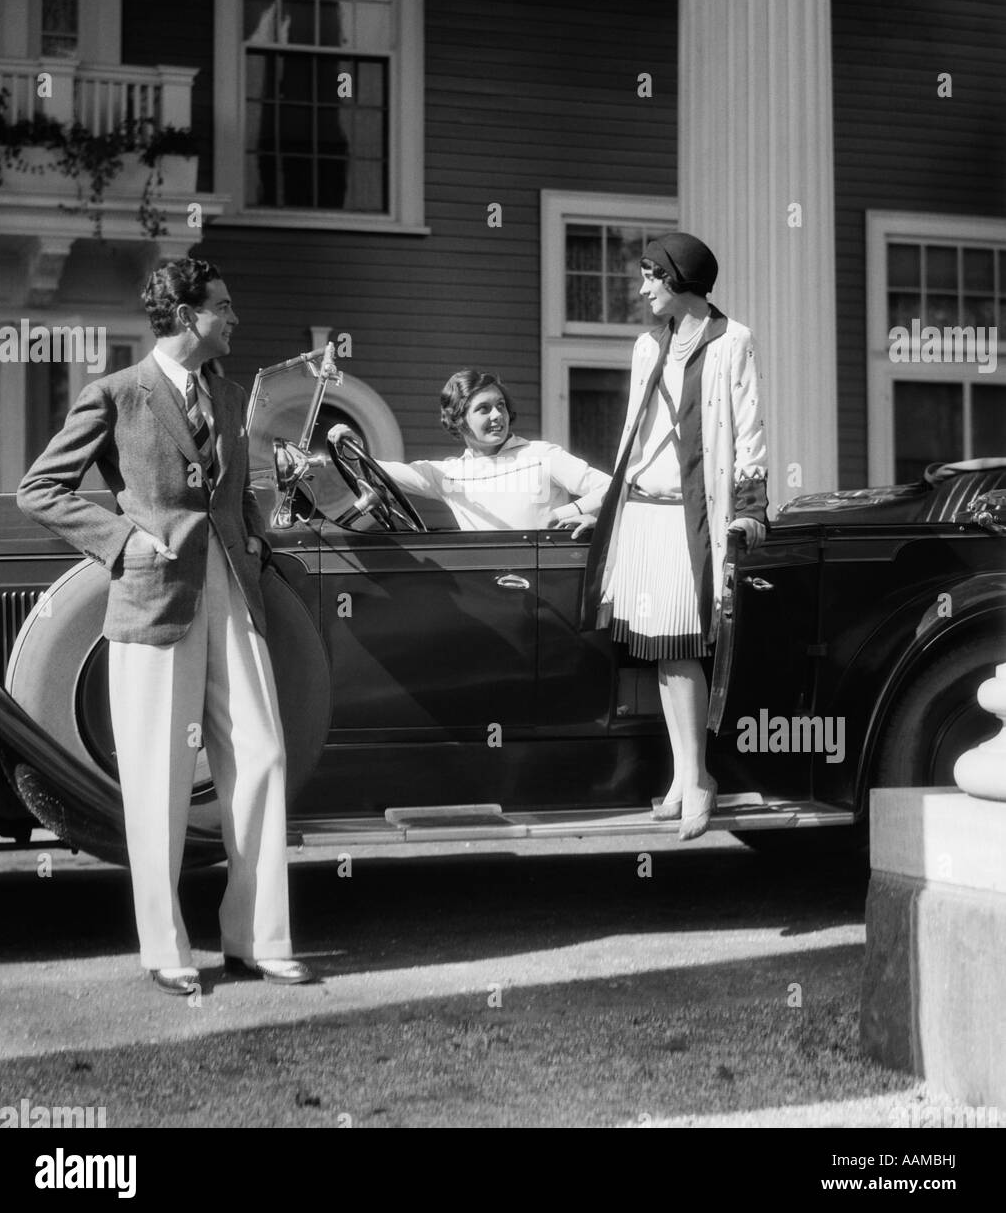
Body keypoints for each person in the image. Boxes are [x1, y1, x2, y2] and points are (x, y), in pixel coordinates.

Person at [17, 258, 313, 995]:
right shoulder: (115, 394)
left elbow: (236, 490)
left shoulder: (231, 391)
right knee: (158, 777)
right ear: (186, 316)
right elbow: (40, 490)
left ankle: (257, 938)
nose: (234, 318)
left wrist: (253, 538)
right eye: (223, 306)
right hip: (153, 594)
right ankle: (165, 948)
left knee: (263, 754)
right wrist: (123, 541)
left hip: (232, 591)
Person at [581, 233, 768, 840]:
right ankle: (687, 775)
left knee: (681, 644)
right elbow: (635, 436)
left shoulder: (731, 341)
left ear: (680, 280)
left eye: (650, 278)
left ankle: (695, 777)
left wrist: (750, 509)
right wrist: (599, 504)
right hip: (643, 513)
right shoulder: (646, 346)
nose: (642, 290)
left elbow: (749, 431)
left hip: (692, 517)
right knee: (665, 651)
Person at [329, 368, 611, 531]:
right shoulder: (450, 475)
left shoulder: (540, 456)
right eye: (483, 409)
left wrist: (565, 514)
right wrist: (352, 444)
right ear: (459, 420)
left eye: (500, 405)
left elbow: (609, 488)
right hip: (485, 589)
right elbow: (380, 472)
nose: (497, 416)